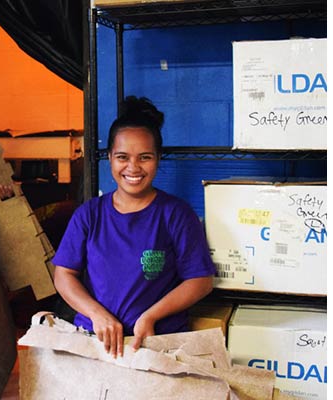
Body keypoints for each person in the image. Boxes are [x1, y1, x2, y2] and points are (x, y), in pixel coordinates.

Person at [52, 96, 215, 358]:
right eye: (122, 157)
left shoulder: (176, 214)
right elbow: (63, 275)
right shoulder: (89, 214)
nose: (133, 167)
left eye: (145, 157)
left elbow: (201, 281)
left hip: (157, 345)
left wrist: (151, 316)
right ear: (109, 158)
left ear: (158, 159)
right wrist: (97, 315)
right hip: (94, 342)